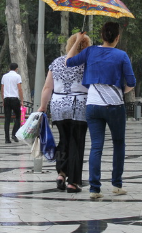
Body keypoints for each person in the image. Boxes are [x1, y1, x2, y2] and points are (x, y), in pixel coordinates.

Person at [66, 22, 136, 199]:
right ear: (117, 37)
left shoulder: (90, 51)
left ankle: (94, 188)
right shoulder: (122, 55)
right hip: (114, 106)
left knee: (96, 146)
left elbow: (69, 61)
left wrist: (78, 40)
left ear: (102, 35)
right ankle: (117, 185)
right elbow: (131, 82)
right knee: (118, 143)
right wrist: (120, 91)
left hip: (93, 105)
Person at [38, 33, 92, 193]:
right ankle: (73, 182)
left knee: (63, 141)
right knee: (77, 143)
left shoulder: (56, 62)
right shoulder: (87, 62)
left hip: (59, 105)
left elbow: (47, 87)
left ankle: (61, 173)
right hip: (79, 106)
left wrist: (43, 106)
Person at [1, 63, 24, 144]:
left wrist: (3, 99)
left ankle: (7, 139)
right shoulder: (17, 76)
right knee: (18, 117)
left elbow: (2, 89)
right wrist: (21, 100)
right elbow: (19, 89)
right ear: (16, 69)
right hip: (14, 99)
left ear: (9, 68)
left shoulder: (4, 76)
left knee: (7, 119)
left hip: (7, 99)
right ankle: (14, 134)